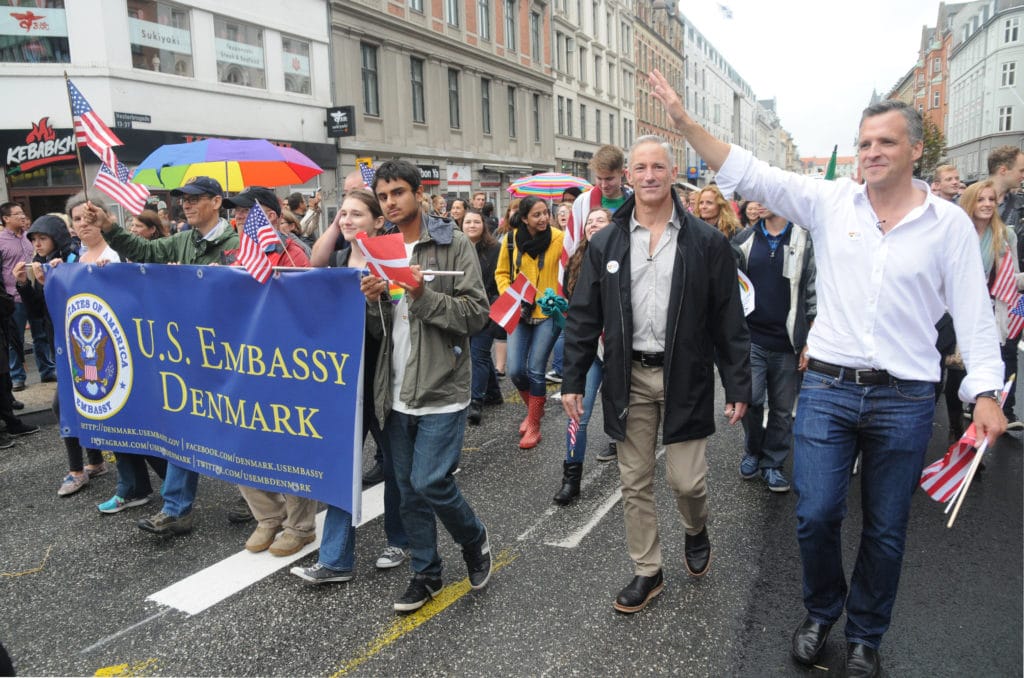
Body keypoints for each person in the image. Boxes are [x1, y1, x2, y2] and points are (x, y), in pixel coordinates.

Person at [647, 69, 1006, 675]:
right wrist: (684, 124)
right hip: (830, 389)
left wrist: (986, 393)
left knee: (887, 528)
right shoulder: (830, 199)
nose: (871, 153)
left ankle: (866, 635)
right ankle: (821, 611)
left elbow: (973, 316)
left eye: (886, 143)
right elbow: (751, 171)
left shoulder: (945, 225)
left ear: (916, 150)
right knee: (815, 513)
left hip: (906, 398)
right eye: (864, 143)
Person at [562, 133, 750, 615]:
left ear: (672, 174)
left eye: (658, 168)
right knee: (634, 479)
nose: (649, 176)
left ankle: (695, 527)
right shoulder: (608, 240)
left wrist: (738, 383)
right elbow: (584, 315)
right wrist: (571, 379)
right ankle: (648, 569)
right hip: (628, 376)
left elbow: (729, 317)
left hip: (684, 373)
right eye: (640, 168)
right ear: (629, 176)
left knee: (687, 482)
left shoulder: (706, 242)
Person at [360, 159, 492, 613]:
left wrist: (421, 294)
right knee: (407, 487)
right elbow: (381, 330)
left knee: (430, 480)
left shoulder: (452, 244)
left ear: (419, 193)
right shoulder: (379, 247)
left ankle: (474, 538)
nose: (391, 202)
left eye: (398, 192)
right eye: (383, 196)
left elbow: (476, 315)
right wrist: (373, 302)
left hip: (441, 386)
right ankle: (426, 572)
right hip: (395, 387)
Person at [85, 176, 239, 536]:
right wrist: (110, 229)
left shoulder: (235, 241)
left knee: (240, 426)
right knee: (184, 424)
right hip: (187, 350)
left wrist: (229, 277)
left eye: (194, 198)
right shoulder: (184, 239)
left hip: (229, 352)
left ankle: (263, 497)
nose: (185, 203)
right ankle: (176, 508)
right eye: (182, 199)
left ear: (216, 202)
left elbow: (253, 288)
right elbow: (147, 253)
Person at [291, 188, 410, 582]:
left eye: (357, 214)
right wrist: (339, 221)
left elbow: (395, 326)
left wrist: (375, 298)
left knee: (396, 467)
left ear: (379, 221)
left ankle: (401, 539)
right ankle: (336, 559)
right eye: (342, 214)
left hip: (384, 381)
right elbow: (313, 263)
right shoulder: (338, 260)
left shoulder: (391, 261)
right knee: (341, 466)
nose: (346, 220)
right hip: (344, 384)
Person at [732, 208, 816, 493]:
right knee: (752, 400)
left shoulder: (805, 239)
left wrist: (810, 341)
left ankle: (773, 464)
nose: (760, 202)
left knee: (781, 410)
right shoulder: (745, 237)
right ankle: (753, 450)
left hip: (788, 341)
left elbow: (814, 291)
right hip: (752, 338)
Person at [943, 180, 1023, 433]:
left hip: (989, 311)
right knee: (953, 376)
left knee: (984, 375)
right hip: (951, 312)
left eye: (991, 199)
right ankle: (956, 433)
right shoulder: (955, 231)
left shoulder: (1005, 235)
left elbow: (1013, 276)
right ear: (970, 202)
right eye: (981, 199)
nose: (988, 204)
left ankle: (973, 443)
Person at [553, 208, 612, 505]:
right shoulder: (575, 261)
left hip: (616, 349)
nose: (593, 225)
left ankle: (621, 448)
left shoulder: (624, 258)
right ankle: (571, 477)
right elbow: (574, 314)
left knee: (626, 413)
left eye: (600, 220)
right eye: (589, 222)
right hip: (589, 351)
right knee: (578, 413)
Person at [495, 196, 564, 450]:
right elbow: (501, 273)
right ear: (524, 218)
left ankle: (534, 423)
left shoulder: (558, 238)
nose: (544, 218)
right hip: (520, 312)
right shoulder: (512, 240)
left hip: (548, 313)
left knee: (536, 369)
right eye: (536, 215)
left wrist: (557, 296)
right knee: (514, 370)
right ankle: (535, 408)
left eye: (546, 213)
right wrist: (512, 294)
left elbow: (568, 269)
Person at [987, 145, 1024, 425]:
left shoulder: (1018, 204)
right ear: (1004, 169)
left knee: (1009, 348)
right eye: (1021, 170)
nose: (1023, 176)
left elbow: (1012, 263)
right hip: (978, 296)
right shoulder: (973, 200)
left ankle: (1006, 409)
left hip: (1010, 295)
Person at [0, 202, 55, 390]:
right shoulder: (0, 241)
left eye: (23, 213)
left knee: (41, 335)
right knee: (16, 340)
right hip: (13, 297)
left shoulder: (29, 238)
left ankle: (47, 370)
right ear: (6, 218)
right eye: (17, 214)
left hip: (34, 293)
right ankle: (17, 377)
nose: (22, 217)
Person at [462, 208, 504, 426]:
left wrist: (494, 305)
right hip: (464, 309)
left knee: (477, 353)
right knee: (479, 354)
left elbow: (500, 278)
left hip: (488, 307)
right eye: (467, 222)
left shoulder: (495, 248)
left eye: (476, 222)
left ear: (483, 225)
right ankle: (494, 392)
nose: (471, 225)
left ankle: (476, 401)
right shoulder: (457, 248)